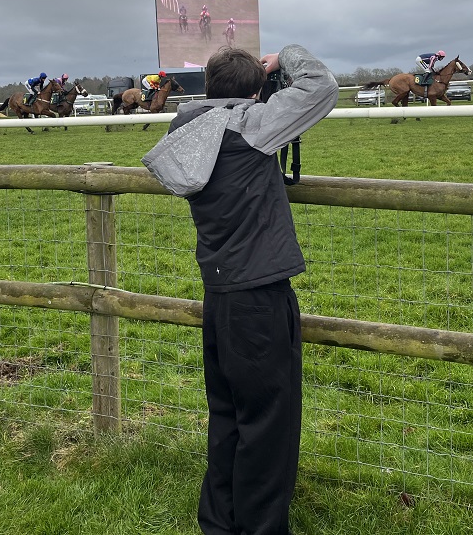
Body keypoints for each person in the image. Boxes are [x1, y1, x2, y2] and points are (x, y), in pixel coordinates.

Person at [142, 45, 339, 535]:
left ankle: (219, 524)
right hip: (261, 296)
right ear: (255, 91)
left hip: (220, 293)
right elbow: (322, 88)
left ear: (208, 88)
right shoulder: (253, 126)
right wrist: (284, 57)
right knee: (269, 425)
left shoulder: (185, 129)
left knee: (227, 415)